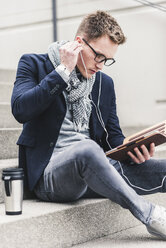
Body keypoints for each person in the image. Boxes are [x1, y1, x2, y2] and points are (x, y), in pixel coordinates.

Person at [11, 10, 166, 240]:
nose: (101, 66)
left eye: (107, 60)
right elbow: (21, 110)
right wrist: (62, 71)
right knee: (87, 149)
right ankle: (150, 215)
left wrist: (134, 149)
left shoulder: (104, 83)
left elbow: (113, 138)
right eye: (98, 56)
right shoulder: (34, 64)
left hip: (96, 169)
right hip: (51, 176)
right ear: (78, 44)